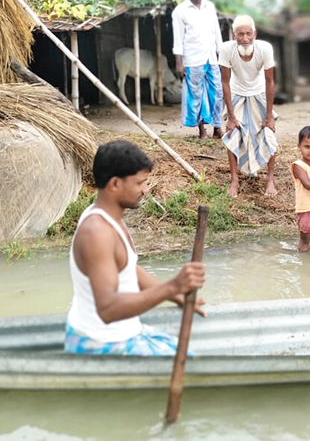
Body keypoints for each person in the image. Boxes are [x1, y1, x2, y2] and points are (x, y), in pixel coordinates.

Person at [65, 140, 206, 355]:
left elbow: (128, 268)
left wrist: (174, 295)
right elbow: (108, 309)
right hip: (102, 343)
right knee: (196, 369)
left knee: (192, 356)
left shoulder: (109, 216)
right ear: (115, 184)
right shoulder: (97, 232)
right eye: (140, 183)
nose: (146, 190)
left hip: (124, 333)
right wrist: (172, 286)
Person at [219, 14, 278, 197]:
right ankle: (234, 181)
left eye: (248, 34)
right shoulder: (226, 49)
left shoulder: (265, 49)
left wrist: (269, 115)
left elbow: (270, 82)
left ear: (255, 34)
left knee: (268, 133)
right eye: (240, 34)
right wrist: (231, 115)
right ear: (233, 35)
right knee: (232, 134)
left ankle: (270, 180)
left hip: (259, 94)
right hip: (237, 94)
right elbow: (225, 83)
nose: (245, 39)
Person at [171, 0, 224, 139]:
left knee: (217, 92)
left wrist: (222, 55)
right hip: (192, 59)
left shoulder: (210, 6)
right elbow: (178, 39)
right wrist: (179, 63)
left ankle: (217, 127)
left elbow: (217, 33)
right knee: (196, 95)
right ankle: (202, 130)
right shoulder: (180, 10)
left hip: (211, 57)